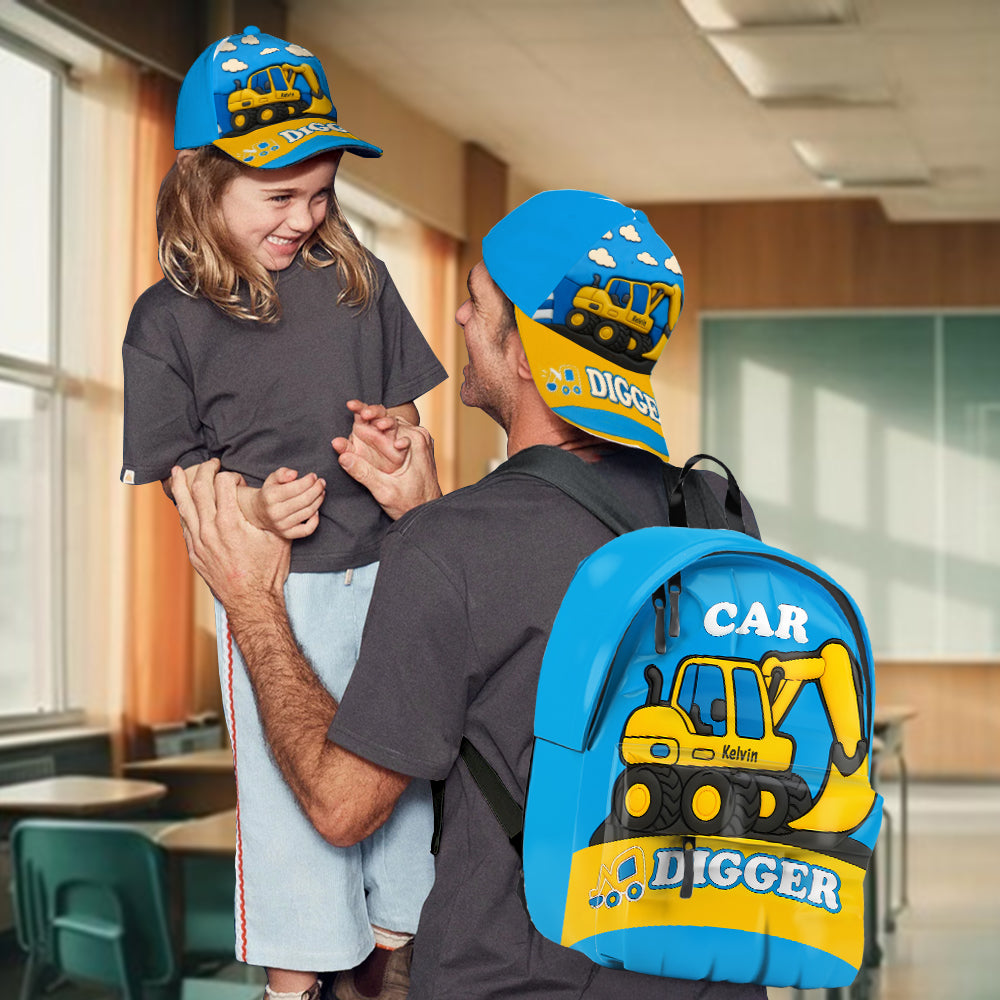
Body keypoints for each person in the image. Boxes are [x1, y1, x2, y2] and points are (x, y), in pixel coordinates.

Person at [171, 190, 765, 1000]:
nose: (456, 317)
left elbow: (342, 807)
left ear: (526, 352)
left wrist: (253, 605)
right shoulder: (716, 513)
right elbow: (550, 666)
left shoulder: (457, 545)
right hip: (708, 975)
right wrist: (430, 515)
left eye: (479, 301)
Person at [120, 25, 446, 1000]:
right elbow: (186, 487)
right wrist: (257, 504)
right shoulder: (166, 321)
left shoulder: (361, 283)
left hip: (388, 572)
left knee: (400, 787)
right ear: (198, 184)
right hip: (278, 595)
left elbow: (406, 420)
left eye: (320, 193)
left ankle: (396, 955)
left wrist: (394, 444)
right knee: (288, 808)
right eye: (278, 197)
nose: (304, 216)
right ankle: (293, 986)